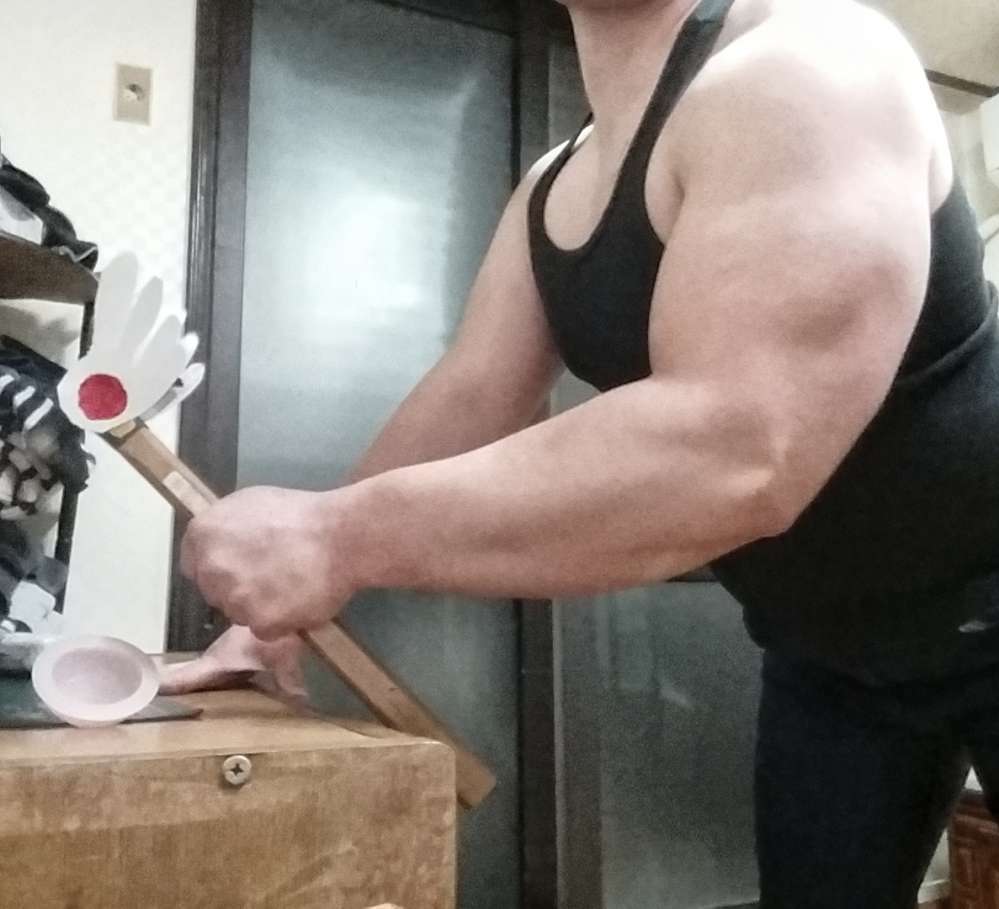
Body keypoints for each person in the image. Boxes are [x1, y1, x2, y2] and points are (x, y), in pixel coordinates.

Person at [166, 0, 999, 905]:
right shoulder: (553, 187)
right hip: (826, 650)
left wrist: (336, 538)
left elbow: (739, 447)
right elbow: (473, 395)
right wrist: (280, 614)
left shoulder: (810, 62)